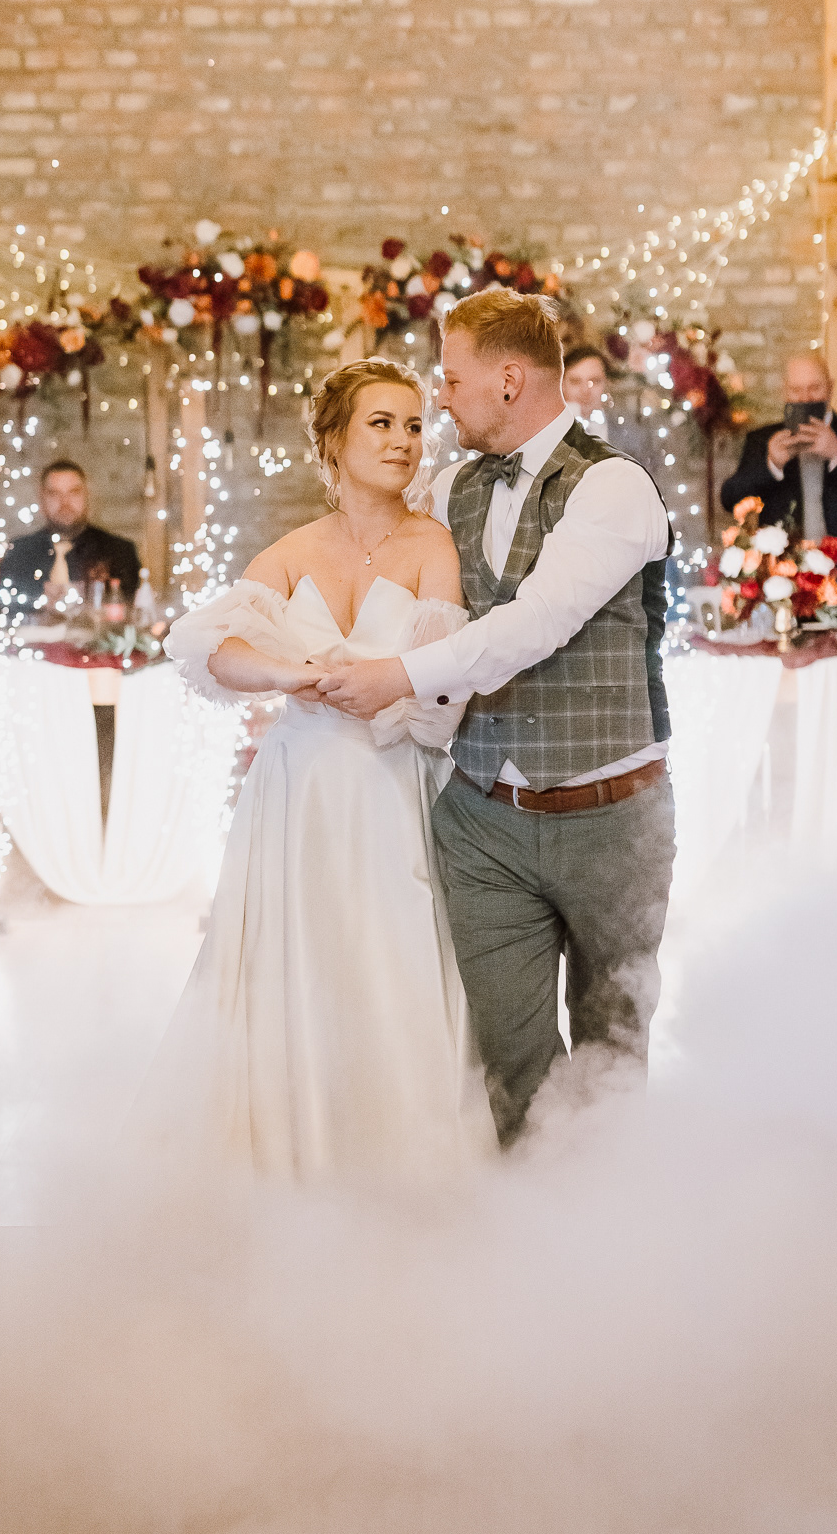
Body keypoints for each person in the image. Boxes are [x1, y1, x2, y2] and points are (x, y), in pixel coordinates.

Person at [318, 289, 676, 1150]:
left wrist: (393, 677)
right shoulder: (450, 489)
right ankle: (531, 1224)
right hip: (480, 821)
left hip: (611, 822)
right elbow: (376, 557)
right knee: (510, 1064)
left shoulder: (613, 486)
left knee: (611, 1055)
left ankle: (615, 1219)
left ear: (508, 381)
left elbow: (532, 625)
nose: (440, 398)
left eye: (450, 379)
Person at [144, 357, 491, 1177]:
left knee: (389, 961)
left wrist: (384, 688)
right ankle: (289, 1155)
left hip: (390, 787)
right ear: (333, 440)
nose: (403, 441)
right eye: (382, 423)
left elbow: (441, 685)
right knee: (290, 966)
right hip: (295, 792)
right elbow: (207, 649)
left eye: (414, 425)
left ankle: (399, 1161)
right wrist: (286, 672)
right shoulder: (292, 550)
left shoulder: (432, 545)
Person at [718, 352, 837, 570]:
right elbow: (729, 498)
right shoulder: (762, 439)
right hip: (783, 574)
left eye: (815, 388)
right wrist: (772, 465)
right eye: (796, 390)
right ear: (785, 391)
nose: (805, 398)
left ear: (830, 388)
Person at [0, 460, 140, 616]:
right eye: (54, 494)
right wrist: (39, 601)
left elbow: (129, 613)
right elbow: (5, 609)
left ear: (87, 496)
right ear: (41, 499)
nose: (65, 503)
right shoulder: (20, 552)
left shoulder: (118, 551)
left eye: (74, 492)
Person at [561, 344, 611, 440]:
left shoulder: (629, 429)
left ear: (607, 383)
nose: (585, 391)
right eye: (575, 382)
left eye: (594, 381)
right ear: (562, 385)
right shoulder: (547, 431)